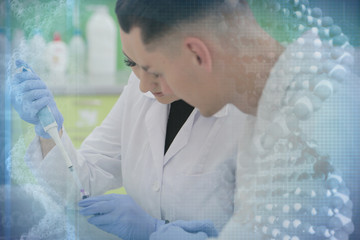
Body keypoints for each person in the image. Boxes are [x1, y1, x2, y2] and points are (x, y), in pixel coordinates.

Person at [114, 0, 360, 239]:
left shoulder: (310, 129)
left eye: (156, 72)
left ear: (197, 54)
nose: (144, 86)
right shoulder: (278, 96)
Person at [10, 57, 251, 239]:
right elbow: (84, 180)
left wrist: (158, 230)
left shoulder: (251, 109)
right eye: (132, 62)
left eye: (157, 68)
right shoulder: (140, 85)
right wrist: (49, 132)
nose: (144, 85)